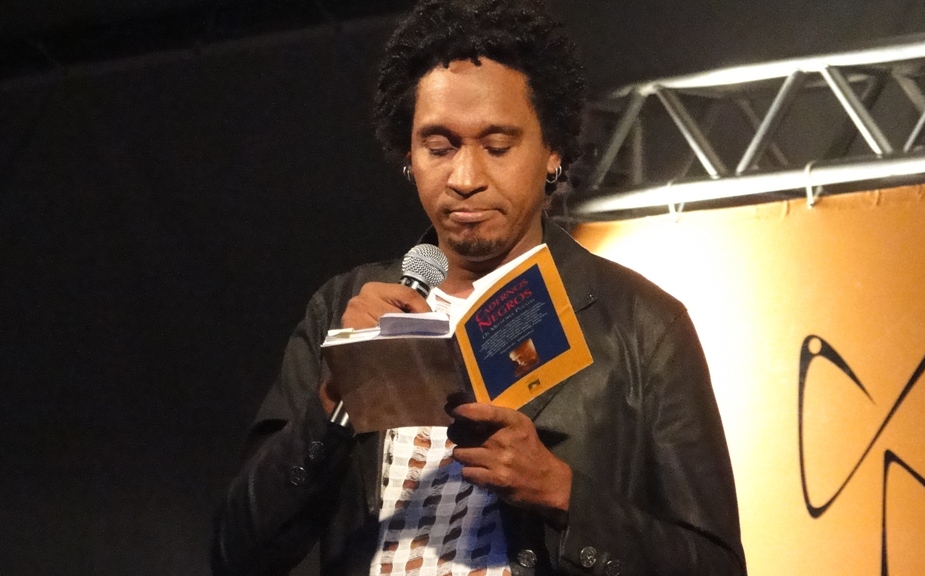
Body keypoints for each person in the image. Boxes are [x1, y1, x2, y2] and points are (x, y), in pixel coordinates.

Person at [212, 1, 746, 574]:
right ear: (409, 155)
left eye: (497, 147)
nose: (465, 178)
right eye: (439, 148)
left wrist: (564, 494)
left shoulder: (641, 326)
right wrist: (335, 403)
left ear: (553, 151)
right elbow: (235, 553)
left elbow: (715, 566)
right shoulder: (343, 311)